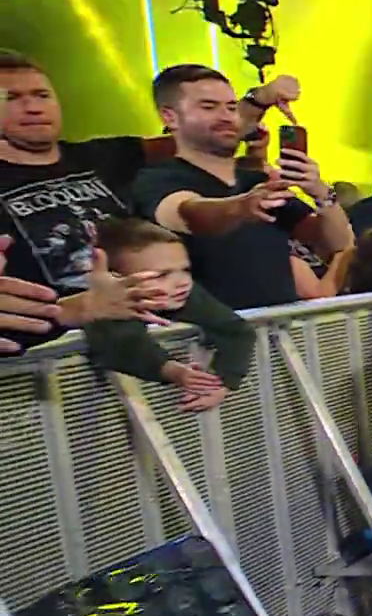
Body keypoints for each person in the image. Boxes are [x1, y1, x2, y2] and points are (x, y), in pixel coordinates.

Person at [0, 51, 292, 349]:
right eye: (11, 98)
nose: (32, 108)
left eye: (42, 95)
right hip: (54, 352)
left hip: (153, 336)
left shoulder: (103, 156)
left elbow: (203, 133)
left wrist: (257, 101)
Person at [130, 64, 352, 311]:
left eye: (231, 107)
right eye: (208, 107)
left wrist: (322, 194)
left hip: (280, 327)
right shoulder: (158, 179)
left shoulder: (256, 182)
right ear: (170, 117)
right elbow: (189, 213)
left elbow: (337, 243)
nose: (226, 117)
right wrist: (242, 207)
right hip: (212, 331)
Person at [81, 218, 252, 411]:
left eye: (185, 270)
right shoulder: (96, 303)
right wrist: (172, 370)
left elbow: (236, 330)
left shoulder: (185, 293)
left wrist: (221, 382)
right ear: (113, 278)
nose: (183, 282)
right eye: (161, 275)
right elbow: (122, 342)